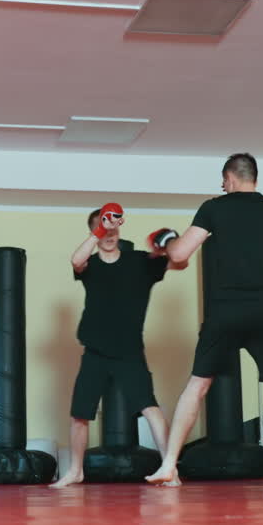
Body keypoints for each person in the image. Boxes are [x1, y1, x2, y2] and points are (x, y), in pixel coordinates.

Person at [145, 154, 263, 488]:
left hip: (226, 307)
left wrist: (164, 243)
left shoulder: (214, 208)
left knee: (198, 384)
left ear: (229, 177)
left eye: (223, 181)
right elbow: (247, 243)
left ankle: (169, 466)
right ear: (255, 178)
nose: (222, 186)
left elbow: (179, 255)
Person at [49, 202, 186, 488]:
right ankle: (75, 471)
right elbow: (76, 260)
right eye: (102, 226)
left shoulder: (140, 261)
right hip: (95, 351)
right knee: (80, 415)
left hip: (129, 352)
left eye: (113, 225)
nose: (110, 232)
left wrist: (168, 243)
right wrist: (102, 227)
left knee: (150, 408)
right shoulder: (90, 266)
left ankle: (169, 468)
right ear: (95, 231)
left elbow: (180, 261)